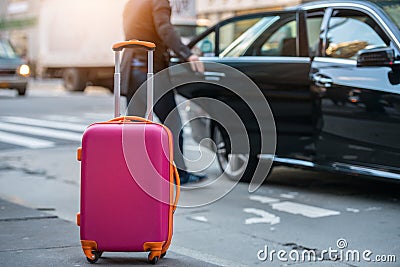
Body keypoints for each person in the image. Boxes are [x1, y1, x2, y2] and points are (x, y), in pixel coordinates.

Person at [121, 0, 206, 184]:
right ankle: (180, 174)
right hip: (150, 69)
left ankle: (132, 172)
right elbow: (164, 28)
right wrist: (187, 54)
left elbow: (130, 31)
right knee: (173, 124)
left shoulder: (132, 3)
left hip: (132, 70)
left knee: (135, 125)